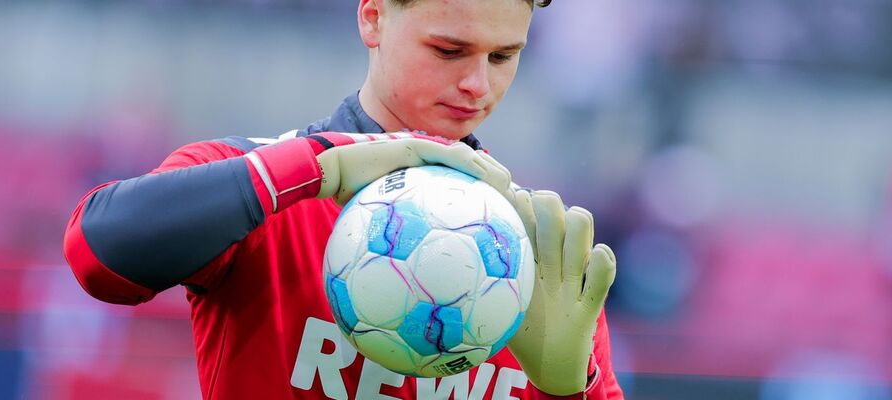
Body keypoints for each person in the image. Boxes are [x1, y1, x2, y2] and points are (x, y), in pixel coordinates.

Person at [61, 0, 621, 398]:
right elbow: (96, 255)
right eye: (450, 50)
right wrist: (320, 164)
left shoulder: (540, 256)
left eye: (503, 57)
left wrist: (570, 392)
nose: (478, 83)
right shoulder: (262, 187)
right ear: (372, 16)